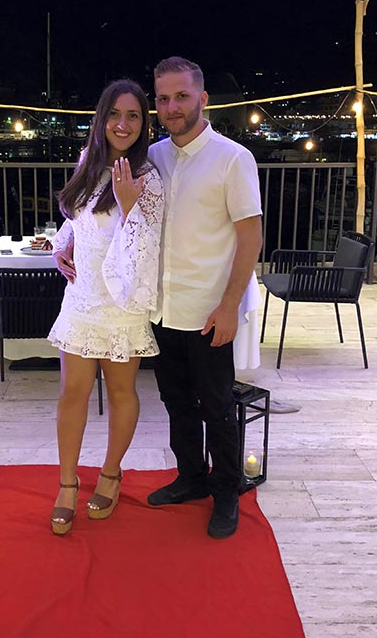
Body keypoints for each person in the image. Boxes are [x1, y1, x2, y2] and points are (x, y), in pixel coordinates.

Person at [147, 56, 263, 539]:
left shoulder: (233, 158)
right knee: (176, 403)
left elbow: (251, 237)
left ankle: (226, 492)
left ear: (203, 98)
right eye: (163, 99)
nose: (172, 107)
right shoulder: (153, 156)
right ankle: (191, 478)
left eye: (181, 96)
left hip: (209, 310)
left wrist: (230, 305)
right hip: (162, 308)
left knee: (217, 407)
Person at [48, 79, 164, 536]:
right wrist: (62, 245)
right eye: (114, 113)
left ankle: (111, 474)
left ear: (143, 123)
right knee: (71, 394)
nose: (122, 123)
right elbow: (77, 217)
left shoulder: (147, 177)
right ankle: (66, 484)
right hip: (81, 299)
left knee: (120, 392)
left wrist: (131, 207)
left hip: (121, 303)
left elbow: (146, 254)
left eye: (133, 115)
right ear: (102, 118)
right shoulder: (89, 161)